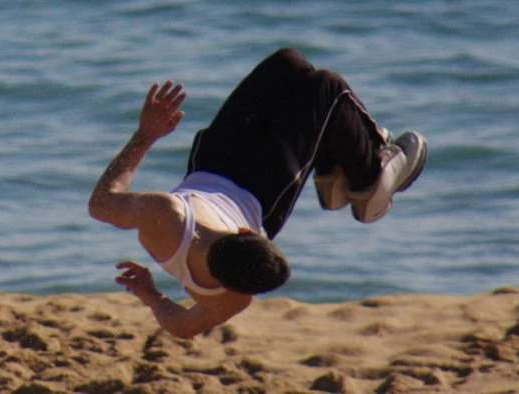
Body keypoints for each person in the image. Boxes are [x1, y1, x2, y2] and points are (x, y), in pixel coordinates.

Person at [88, 48, 427, 339]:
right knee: (326, 86)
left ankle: (333, 169)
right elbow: (179, 325)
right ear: (247, 230)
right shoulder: (232, 296)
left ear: (244, 234)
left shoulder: (167, 217)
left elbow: (100, 203)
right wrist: (150, 294)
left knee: (289, 63)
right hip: (263, 194)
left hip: (212, 164)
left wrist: (146, 134)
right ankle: (369, 183)